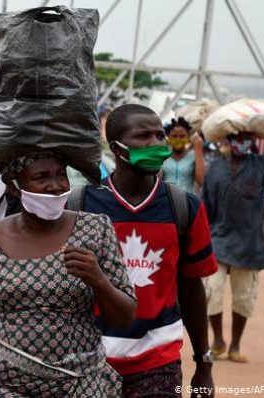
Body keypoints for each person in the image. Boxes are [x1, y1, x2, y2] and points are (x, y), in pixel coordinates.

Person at [0, 152, 137, 397]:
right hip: (1, 385)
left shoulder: (95, 229)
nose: (55, 186)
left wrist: (99, 281)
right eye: (42, 177)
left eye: (60, 175)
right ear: (14, 187)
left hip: (81, 385)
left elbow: (125, 317)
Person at [72, 104, 218, 398]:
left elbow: (191, 288)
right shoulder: (82, 205)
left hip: (158, 360)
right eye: (143, 137)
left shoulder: (184, 207)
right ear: (116, 148)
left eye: (158, 136)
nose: (156, 144)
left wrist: (204, 363)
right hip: (88, 359)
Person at [202, 132, 264, 363]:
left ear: (252, 142)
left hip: (249, 244)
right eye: (236, 138)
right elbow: (205, 204)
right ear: (227, 141)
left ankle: (235, 344)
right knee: (211, 291)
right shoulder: (215, 168)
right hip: (218, 239)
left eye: (245, 138)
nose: (240, 143)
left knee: (243, 298)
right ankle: (219, 341)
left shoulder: (262, 165)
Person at [162, 117, 206, 194]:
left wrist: (198, 151)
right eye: (174, 136)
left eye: (182, 136)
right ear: (168, 137)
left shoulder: (193, 155)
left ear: (188, 138)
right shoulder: (163, 155)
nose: (178, 139)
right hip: (166, 200)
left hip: (188, 201)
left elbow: (201, 181)